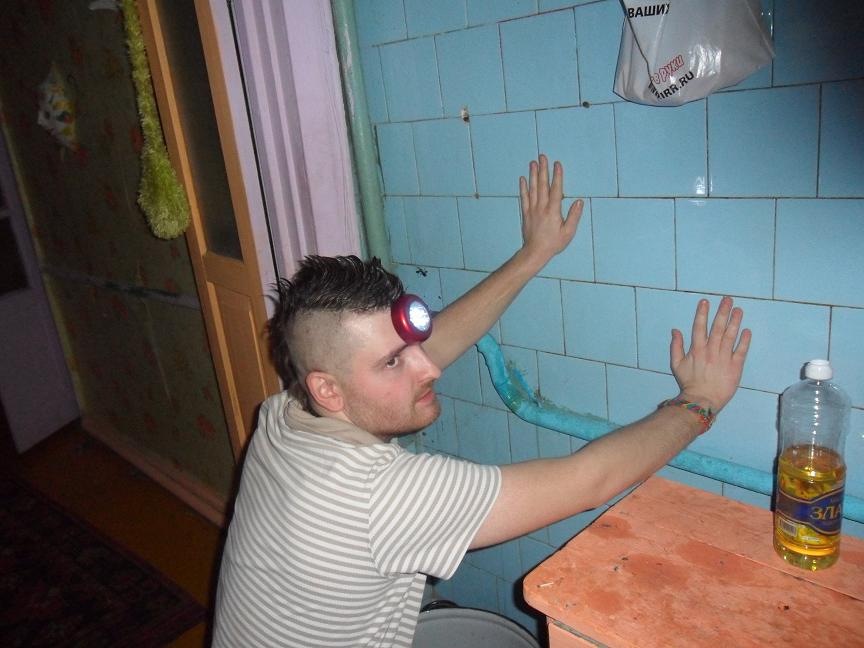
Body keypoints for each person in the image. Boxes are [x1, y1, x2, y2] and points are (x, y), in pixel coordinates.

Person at [212, 155, 751, 647]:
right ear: (328, 388)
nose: (429, 367)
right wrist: (700, 400)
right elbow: (591, 481)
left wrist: (534, 253)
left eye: (413, 348)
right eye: (394, 362)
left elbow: (430, 345)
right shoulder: (377, 496)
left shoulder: (284, 416)